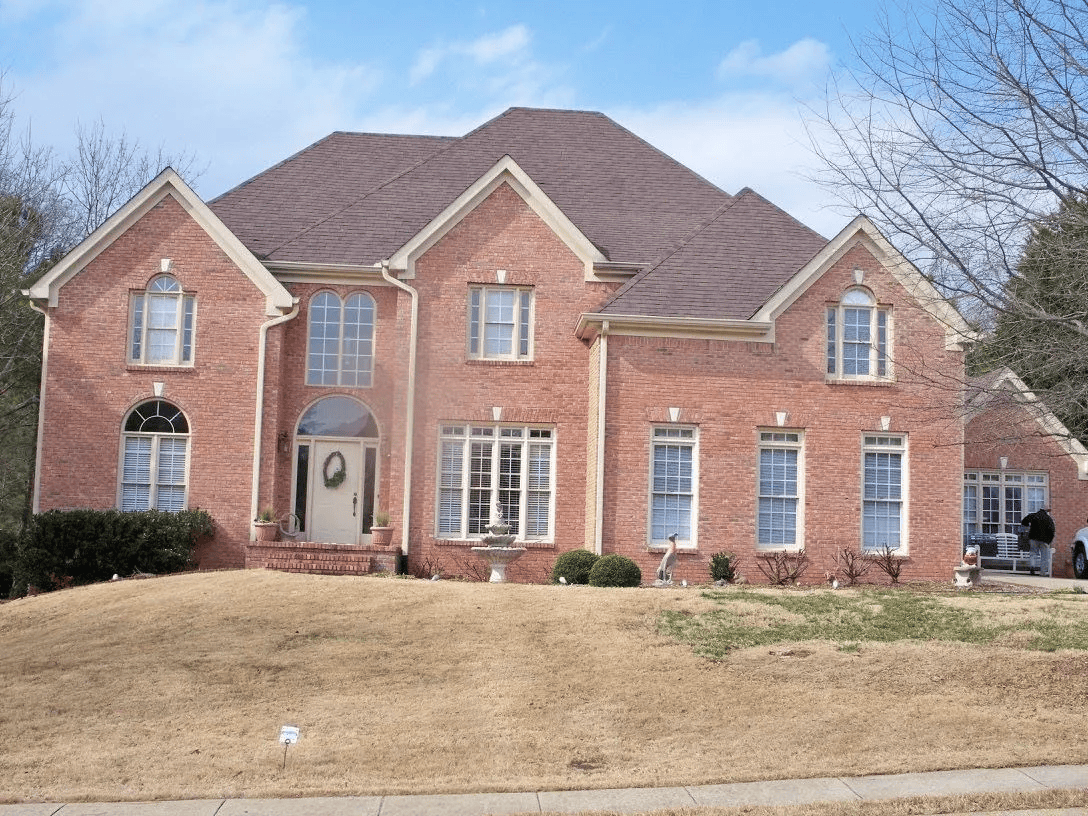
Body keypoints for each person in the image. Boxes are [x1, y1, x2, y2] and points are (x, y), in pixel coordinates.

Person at [1019, 508, 1056, 576]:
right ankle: (1043, 572)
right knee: (1044, 557)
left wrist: (1028, 527)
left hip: (1033, 538)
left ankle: (1032, 566)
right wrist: (1049, 540)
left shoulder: (1033, 516)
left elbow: (1024, 521)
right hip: (1044, 540)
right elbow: (1052, 530)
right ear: (1046, 512)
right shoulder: (1048, 519)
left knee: (1033, 554)